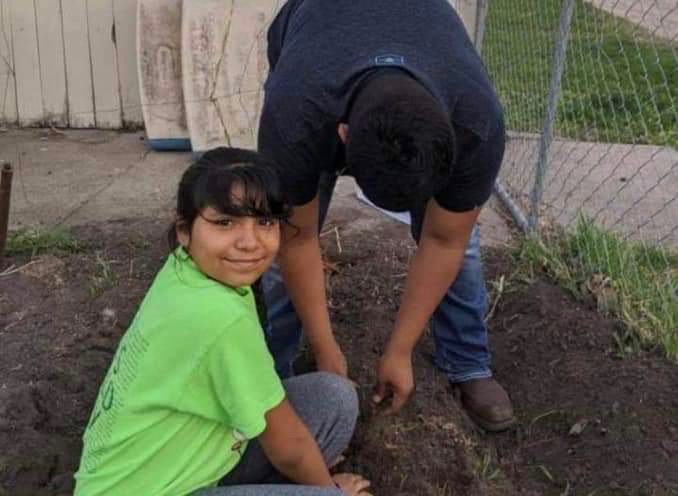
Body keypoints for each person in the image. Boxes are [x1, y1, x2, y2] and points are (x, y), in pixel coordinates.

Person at [258, 0, 515, 431]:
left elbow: (444, 240)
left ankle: (468, 363)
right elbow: (297, 239)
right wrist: (325, 351)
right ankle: (269, 368)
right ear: (341, 135)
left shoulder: (477, 121)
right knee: (274, 235)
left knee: (462, 241)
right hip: (314, 28)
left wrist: (400, 350)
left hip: (421, 37)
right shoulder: (296, 110)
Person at [73, 148, 372, 496]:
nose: (249, 243)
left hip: (179, 461)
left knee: (333, 398)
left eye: (264, 222)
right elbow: (287, 445)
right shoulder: (217, 317)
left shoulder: (185, 272)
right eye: (225, 223)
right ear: (184, 230)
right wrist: (331, 493)